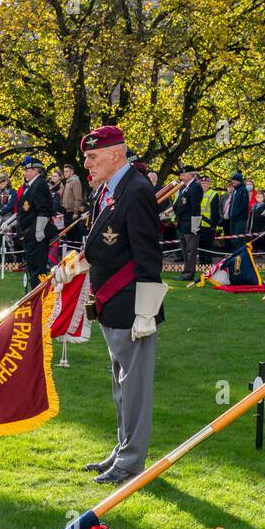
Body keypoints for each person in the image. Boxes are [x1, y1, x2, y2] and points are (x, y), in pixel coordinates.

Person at [75, 126, 164, 485]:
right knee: (121, 385)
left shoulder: (137, 191)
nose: (87, 165)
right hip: (112, 305)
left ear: (116, 154)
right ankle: (122, 448)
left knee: (135, 388)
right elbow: (104, 246)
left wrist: (147, 311)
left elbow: (149, 256)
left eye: (92, 157)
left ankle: (130, 463)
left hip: (132, 308)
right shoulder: (109, 192)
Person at [18, 156, 54, 283]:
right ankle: (36, 297)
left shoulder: (40, 184)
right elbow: (24, 208)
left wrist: (39, 231)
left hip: (36, 234)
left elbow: (44, 210)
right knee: (32, 267)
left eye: (28, 170)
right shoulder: (31, 185)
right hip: (29, 233)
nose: (25, 173)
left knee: (38, 269)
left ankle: (40, 296)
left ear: (36, 171)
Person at [172, 164, 202, 283]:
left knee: (191, 250)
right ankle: (186, 271)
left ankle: (189, 273)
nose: (181, 176)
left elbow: (195, 207)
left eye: (183, 174)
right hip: (182, 222)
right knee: (185, 250)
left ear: (191, 175)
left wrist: (195, 225)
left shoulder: (195, 187)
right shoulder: (185, 187)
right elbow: (179, 204)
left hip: (190, 223)